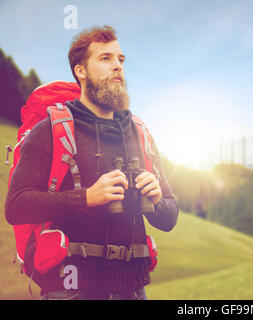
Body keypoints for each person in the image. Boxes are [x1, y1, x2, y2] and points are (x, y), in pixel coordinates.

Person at [5, 25, 179, 300]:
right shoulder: (52, 130)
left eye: (121, 59)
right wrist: (86, 198)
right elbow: (16, 207)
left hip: (133, 291)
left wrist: (157, 200)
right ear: (80, 71)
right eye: (105, 58)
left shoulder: (140, 133)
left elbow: (170, 217)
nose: (117, 67)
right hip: (71, 289)